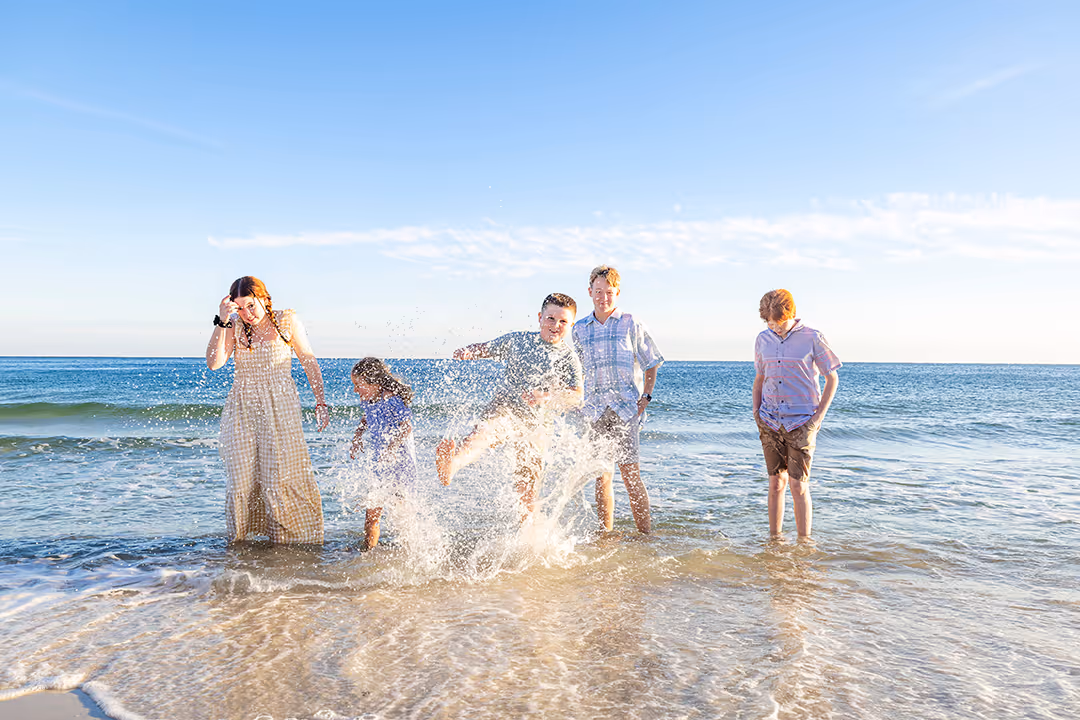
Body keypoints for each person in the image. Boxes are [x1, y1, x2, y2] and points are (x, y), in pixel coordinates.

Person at [436, 293, 584, 518]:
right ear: (539, 317)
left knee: (527, 485)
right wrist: (469, 352)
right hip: (504, 408)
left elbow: (576, 396)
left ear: (571, 324)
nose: (556, 325)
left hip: (536, 423)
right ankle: (451, 466)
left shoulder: (567, 357)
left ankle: (529, 537)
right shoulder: (518, 340)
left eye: (563, 321)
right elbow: (487, 348)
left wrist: (548, 397)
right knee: (481, 435)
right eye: (550, 319)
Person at [205, 276, 328, 544]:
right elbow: (215, 363)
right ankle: (241, 546)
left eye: (251, 305)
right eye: (240, 308)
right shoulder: (233, 325)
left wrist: (320, 401)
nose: (247, 314)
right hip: (242, 409)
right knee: (241, 480)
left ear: (264, 298)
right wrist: (222, 320)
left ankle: (292, 543)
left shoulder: (286, 321)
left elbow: (308, 361)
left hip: (280, 408)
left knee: (281, 476)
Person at [573, 265, 664, 534]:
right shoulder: (579, 329)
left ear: (618, 292)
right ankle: (606, 535)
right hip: (594, 411)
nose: (604, 297)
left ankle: (645, 536)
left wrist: (645, 397)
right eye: (598, 292)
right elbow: (576, 371)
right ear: (590, 292)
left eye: (609, 292)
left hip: (626, 410)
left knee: (630, 474)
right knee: (602, 477)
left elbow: (651, 362)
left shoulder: (630, 323)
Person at [752, 289, 841, 539]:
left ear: (790, 314)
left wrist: (817, 418)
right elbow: (759, 378)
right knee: (775, 483)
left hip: (802, 422)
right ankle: (775, 541)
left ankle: (804, 545)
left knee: (798, 486)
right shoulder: (762, 339)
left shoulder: (812, 337)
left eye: (779, 323)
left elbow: (831, 377)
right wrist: (756, 413)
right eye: (770, 323)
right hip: (769, 420)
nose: (775, 328)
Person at [349, 357, 418, 550]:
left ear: (375, 383)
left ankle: (412, 553)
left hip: (400, 465)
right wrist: (357, 436)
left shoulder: (392, 400)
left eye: (358, 385)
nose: (355, 390)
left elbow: (407, 428)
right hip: (380, 464)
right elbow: (366, 416)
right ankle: (367, 554)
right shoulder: (369, 398)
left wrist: (391, 448)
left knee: (402, 516)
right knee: (372, 514)